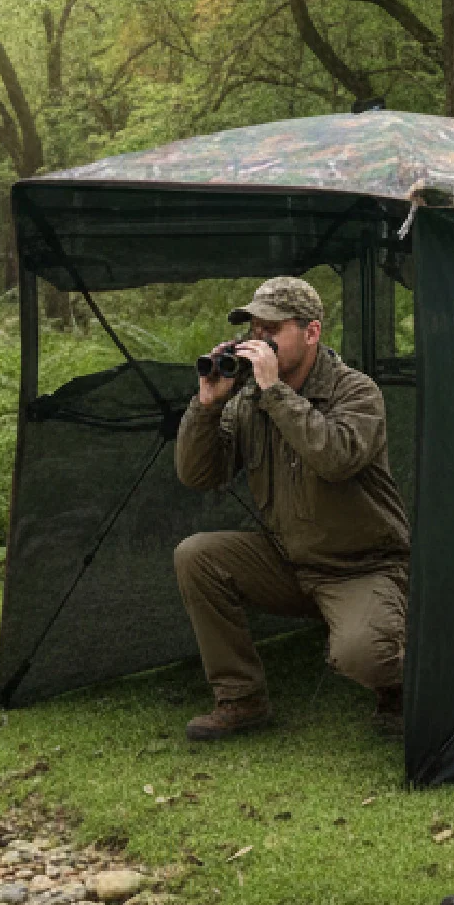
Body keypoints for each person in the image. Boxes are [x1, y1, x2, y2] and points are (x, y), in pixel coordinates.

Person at [173, 276, 411, 741]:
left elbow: (335, 458)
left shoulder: (356, 392)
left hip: (361, 566)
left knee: (363, 654)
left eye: (272, 330)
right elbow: (199, 476)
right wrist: (205, 407)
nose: (258, 341)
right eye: (254, 329)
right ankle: (241, 699)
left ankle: (401, 683)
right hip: (290, 560)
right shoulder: (248, 401)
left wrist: (275, 392)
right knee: (197, 556)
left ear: (312, 332)